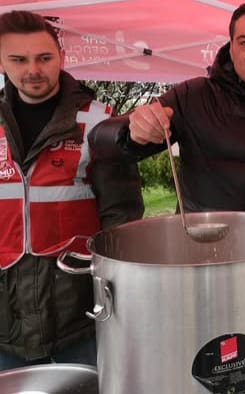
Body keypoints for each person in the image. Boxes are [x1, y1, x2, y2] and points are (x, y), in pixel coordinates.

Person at [88, 1, 245, 236]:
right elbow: (100, 142)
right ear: (231, 47)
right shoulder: (193, 96)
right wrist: (130, 132)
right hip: (205, 249)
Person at [0, 10, 144, 370]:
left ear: (61, 57)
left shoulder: (98, 121)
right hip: (5, 319)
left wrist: (121, 295)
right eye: (18, 59)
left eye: (44, 57)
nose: (33, 69)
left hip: (79, 317)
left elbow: (123, 221)